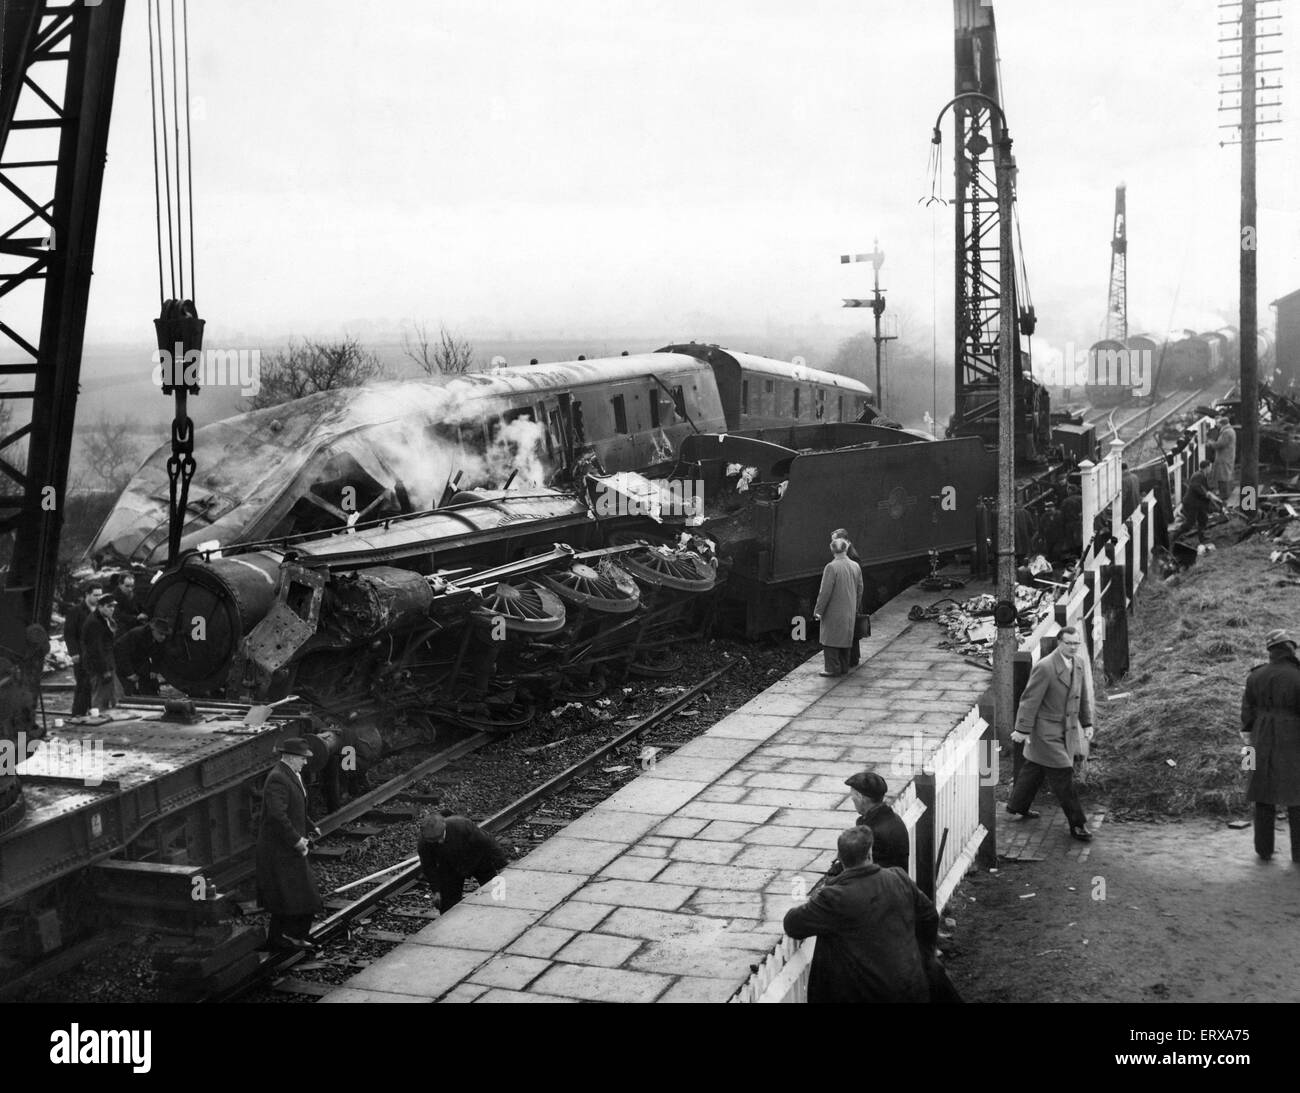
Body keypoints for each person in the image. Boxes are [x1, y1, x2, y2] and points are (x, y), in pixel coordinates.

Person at [782, 826, 938, 1003]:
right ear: (870, 854)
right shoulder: (898, 877)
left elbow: (792, 924)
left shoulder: (834, 898)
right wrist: (923, 956)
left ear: (841, 859)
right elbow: (930, 916)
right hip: (912, 990)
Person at [1006, 625, 1095, 841]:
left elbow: (1081, 697)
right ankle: (1078, 823)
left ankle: (1017, 805)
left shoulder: (1079, 664)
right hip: (1046, 733)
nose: (1073, 647)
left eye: (1076, 643)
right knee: (1063, 774)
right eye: (1069, 643)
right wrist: (1021, 729)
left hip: (1066, 731)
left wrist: (1087, 723)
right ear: (1059, 643)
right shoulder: (1045, 667)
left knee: (1035, 768)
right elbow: (1029, 700)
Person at [256, 738, 323, 951]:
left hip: (286, 847)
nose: (305, 762)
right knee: (298, 894)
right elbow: (277, 815)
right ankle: (288, 937)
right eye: (303, 758)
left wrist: (310, 825)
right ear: (291, 757)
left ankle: (285, 937)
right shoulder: (278, 778)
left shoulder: (290, 774)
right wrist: (296, 840)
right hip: (281, 849)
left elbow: (296, 807)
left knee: (289, 894)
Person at [1240, 629, 1300, 862]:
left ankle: (1263, 850)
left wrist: (1248, 753)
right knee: (1297, 797)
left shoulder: (1255, 676)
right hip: (1294, 737)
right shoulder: (1298, 675)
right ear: (1289, 649)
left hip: (1260, 736)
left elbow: (1247, 715)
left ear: (1270, 651)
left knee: (1261, 793)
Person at [417, 813, 508, 913]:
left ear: (444, 826)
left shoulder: (462, 825)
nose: (439, 841)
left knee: (495, 891)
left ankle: (500, 910)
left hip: (478, 859)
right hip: (450, 867)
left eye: (439, 836)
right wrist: (436, 890)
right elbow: (429, 867)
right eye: (433, 840)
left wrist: (502, 865)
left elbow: (488, 842)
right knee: (447, 904)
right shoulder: (423, 843)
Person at [813, 536, 863, 678]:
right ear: (846, 549)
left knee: (830, 639)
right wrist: (855, 606)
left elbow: (825, 592)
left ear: (832, 550)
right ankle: (844, 666)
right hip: (850, 610)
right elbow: (860, 589)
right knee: (845, 638)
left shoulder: (831, 567)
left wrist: (818, 611)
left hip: (834, 611)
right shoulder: (855, 565)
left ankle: (832, 668)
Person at [844, 771, 910, 871]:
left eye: (853, 796)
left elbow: (858, 867)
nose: (852, 800)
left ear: (860, 797)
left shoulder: (871, 831)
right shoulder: (894, 818)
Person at [80, 591, 122, 712]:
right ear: (100, 607)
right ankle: (97, 719)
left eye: (113, 606)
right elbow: (95, 649)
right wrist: (104, 670)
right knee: (100, 696)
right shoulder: (94, 622)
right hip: (99, 666)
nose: (112, 609)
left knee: (114, 693)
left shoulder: (104, 619)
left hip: (107, 663)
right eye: (109, 606)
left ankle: (109, 716)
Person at [63, 585, 101, 716]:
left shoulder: (100, 611)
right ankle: (77, 714)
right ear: (87, 594)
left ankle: (93, 713)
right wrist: (74, 653)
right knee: (83, 686)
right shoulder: (76, 611)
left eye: (100, 595)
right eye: (96, 595)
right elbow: (69, 634)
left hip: (96, 655)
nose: (98, 598)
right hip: (81, 654)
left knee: (95, 686)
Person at [1170, 460, 1224, 546]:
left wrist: (1218, 500)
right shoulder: (1198, 476)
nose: (1211, 469)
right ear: (1206, 467)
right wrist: (1207, 495)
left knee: (1203, 519)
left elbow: (1207, 491)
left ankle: (1202, 538)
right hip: (1191, 503)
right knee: (1190, 523)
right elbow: (1198, 489)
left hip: (1198, 504)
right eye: (1210, 467)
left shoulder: (1203, 476)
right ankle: (1174, 537)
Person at [114, 617, 171, 696]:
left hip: (141, 661)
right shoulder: (137, 634)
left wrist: (154, 669)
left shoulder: (160, 640)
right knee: (128, 691)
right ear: (153, 630)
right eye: (161, 634)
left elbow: (159, 656)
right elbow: (121, 652)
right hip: (124, 662)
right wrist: (129, 672)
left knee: (151, 686)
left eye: (165, 634)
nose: (163, 637)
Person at [831, 528, 864, 666]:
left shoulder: (851, 559)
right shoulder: (852, 557)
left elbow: (857, 584)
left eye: (834, 540)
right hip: (851, 599)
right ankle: (852, 658)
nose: (832, 544)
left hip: (849, 599)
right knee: (850, 630)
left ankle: (849, 659)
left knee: (848, 630)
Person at [1209, 414, 1237, 502]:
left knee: (1223, 476)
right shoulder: (1230, 431)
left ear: (1222, 424)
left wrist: (1211, 443)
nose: (1217, 425)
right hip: (1227, 456)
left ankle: (1224, 495)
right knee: (1227, 474)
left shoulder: (1226, 432)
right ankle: (1226, 492)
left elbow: (1219, 444)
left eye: (1218, 423)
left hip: (1224, 457)